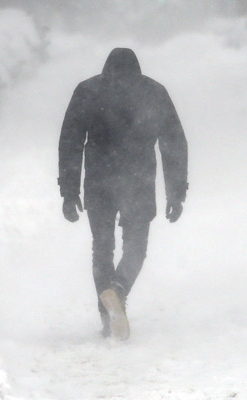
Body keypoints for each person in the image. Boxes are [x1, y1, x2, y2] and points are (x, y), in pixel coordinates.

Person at [58, 47, 188, 340]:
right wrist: (176, 192)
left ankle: (107, 318)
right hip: (138, 180)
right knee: (136, 248)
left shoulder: (88, 91)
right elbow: (173, 143)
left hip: (99, 181)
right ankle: (118, 290)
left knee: (102, 249)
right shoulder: (154, 92)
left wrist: (69, 191)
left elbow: (70, 142)